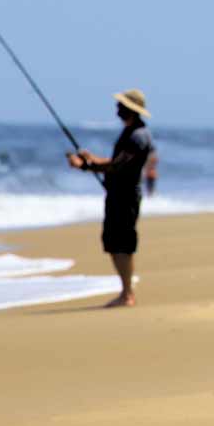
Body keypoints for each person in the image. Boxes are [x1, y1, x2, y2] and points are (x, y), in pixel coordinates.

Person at [67, 89, 154, 308]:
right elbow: (117, 161)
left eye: (120, 106)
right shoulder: (132, 132)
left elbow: (118, 166)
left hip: (125, 196)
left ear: (130, 110)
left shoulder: (137, 136)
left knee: (122, 244)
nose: (117, 109)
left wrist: (85, 165)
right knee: (114, 243)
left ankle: (127, 294)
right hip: (118, 194)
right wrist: (92, 159)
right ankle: (126, 292)